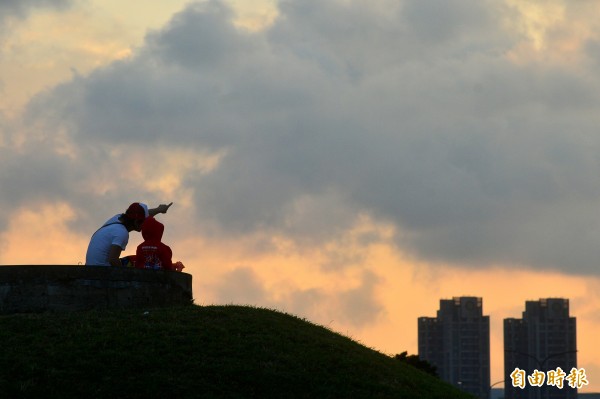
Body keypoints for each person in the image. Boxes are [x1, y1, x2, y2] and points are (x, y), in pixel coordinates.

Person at [85, 202, 173, 267]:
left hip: (91, 266)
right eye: (144, 222)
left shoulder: (118, 219)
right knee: (135, 263)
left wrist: (158, 210)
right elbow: (113, 259)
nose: (146, 225)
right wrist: (127, 275)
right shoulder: (122, 233)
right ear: (136, 222)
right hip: (102, 272)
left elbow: (143, 214)